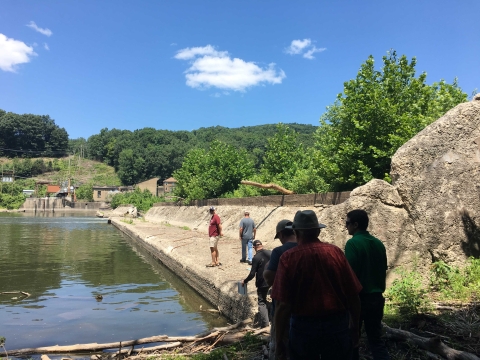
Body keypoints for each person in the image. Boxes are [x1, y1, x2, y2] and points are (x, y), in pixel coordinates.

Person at [272, 210, 362, 360]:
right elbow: (353, 294)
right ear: (318, 231)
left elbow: (283, 305)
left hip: (303, 329)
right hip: (336, 325)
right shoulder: (335, 253)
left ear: (296, 231)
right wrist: (354, 326)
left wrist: (279, 341)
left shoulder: (288, 258)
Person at [345, 209, 390, 360]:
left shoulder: (352, 244)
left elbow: (349, 275)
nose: (346, 227)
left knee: (351, 339)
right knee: (376, 340)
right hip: (377, 299)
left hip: (359, 299)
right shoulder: (379, 244)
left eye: (347, 223)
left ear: (355, 225)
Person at [263, 219, 297, 360]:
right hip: (306, 309)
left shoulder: (279, 251)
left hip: (283, 306)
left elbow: (269, 278)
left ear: (281, 234)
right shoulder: (307, 247)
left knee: (282, 343)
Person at [241, 240, 271, 328]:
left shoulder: (256, 258)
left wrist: (245, 281)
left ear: (254, 247)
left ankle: (265, 325)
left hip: (262, 282)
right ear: (262, 245)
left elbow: (252, 274)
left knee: (261, 302)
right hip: (273, 280)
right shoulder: (270, 253)